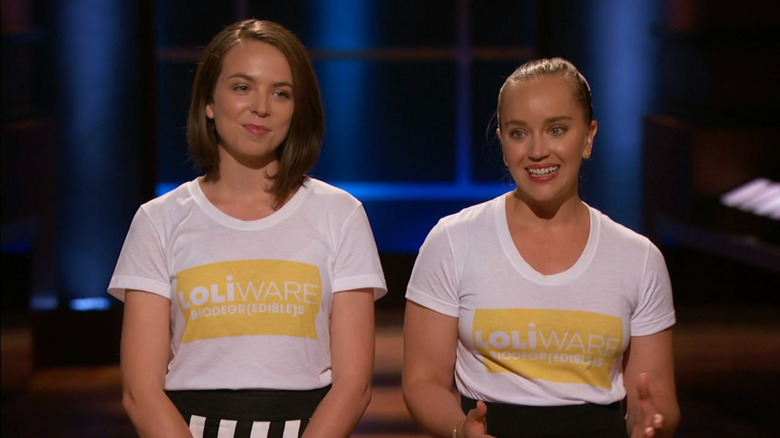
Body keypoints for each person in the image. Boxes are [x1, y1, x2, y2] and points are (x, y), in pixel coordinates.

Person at [108, 19, 386, 438]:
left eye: (281, 93)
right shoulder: (159, 220)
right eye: (242, 87)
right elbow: (140, 391)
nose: (262, 107)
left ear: (298, 110)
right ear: (209, 102)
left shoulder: (340, 214)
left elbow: (354, 387)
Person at [402, 58, 679, 438]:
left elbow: (657, 398)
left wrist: (650, 423)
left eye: (556, 129)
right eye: (519, 133)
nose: (537, 151)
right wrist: (458, 429)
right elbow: (423, 382)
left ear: (588, 137)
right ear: (503, 143)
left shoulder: (639, 258)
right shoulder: (453, 241)